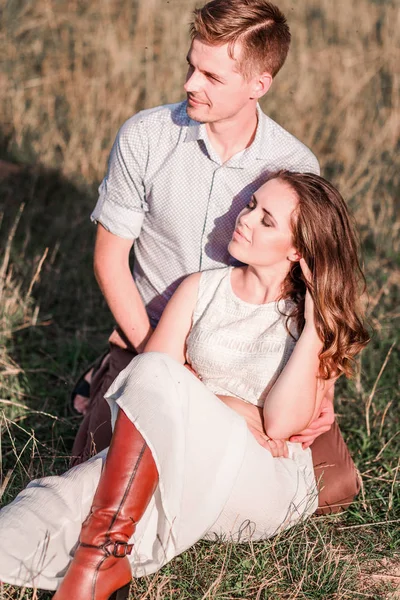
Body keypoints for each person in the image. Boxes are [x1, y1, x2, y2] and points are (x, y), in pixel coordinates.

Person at [0, 171, 369, 600]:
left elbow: (281, 426)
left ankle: (102, 556)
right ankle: (101, 559)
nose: (246, 219)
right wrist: (235, 407)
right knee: (78, 488)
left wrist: (312, 334)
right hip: (177, 454)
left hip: (260, 482)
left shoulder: (314, 322)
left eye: (267, 220)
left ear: (298, 250)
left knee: (135, 420)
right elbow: (149, 381)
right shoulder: (201, 288)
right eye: (251, 205)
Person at [70, 0, 356, 513]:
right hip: (154, 340)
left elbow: (319, 280)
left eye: (211, 75)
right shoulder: (147, 137)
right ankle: (109, 371)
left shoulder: (294, 164)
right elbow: (110, 262)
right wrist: (173, 369)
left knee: (331, 485)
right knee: (102, 470)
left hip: (255, 353)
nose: (190, 84)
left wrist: (322, 388)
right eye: (190, 65)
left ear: (258, 85)